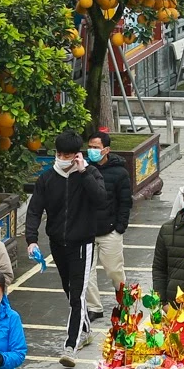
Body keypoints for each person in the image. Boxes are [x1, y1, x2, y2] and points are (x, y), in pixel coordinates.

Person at [23, 131, 111, 363]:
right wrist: (31, 239)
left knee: (78, 294)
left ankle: (70, 345)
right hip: (57, 243)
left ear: (77, 155)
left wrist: (83, 172)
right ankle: (87, 330)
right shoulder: (47, 179)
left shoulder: (89, 173)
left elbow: (101, 200)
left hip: (82, 243)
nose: (62, 158)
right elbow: (34, 211)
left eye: (68, 154)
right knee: (69, 291)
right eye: (59, 154)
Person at [82, 130, 135, 321]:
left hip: (109, 231)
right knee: (86, 274)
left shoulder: (119, 172)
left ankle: (124, 303)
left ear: (106, 150)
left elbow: (125, 201)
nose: (92, 151)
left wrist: (120, 226)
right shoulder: (83, 169)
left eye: (96, 148)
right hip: (86, 231)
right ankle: (94, 307)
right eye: (90, 147)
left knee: (114, 270)